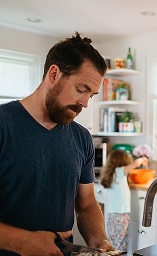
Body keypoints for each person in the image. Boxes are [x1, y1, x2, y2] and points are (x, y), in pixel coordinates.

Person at [0, 32, 115, 254]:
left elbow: (87, 204)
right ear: (54, 74)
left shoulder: (82, 138)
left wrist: (100, 240)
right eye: (81, 89)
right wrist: (22, 241)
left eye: (91, 95)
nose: (85, 103)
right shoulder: (4, 125)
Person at [99, 150, 147, 251]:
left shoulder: (114, 174)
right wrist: (142, 159)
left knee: (122, 244)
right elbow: (135, 164)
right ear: (122, 163)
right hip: (119, 216)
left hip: (119, 215)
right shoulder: (118, 172)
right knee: (117, 246)